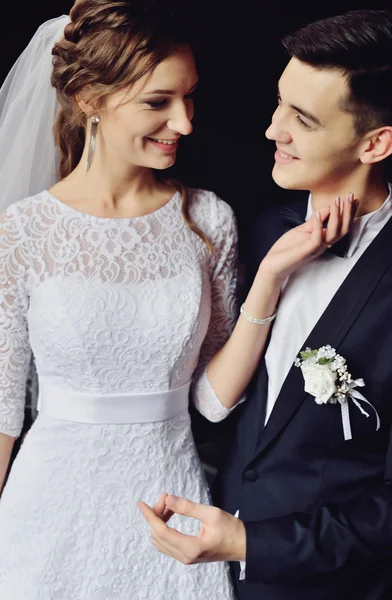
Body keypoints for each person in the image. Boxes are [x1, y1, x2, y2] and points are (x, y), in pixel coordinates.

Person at [139, 9, 392, 600]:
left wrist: (249, 542)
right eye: (279, 104)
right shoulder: (261, 229)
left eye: (301, 120)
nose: (272, 130)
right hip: (208, 578)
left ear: (377, 141)